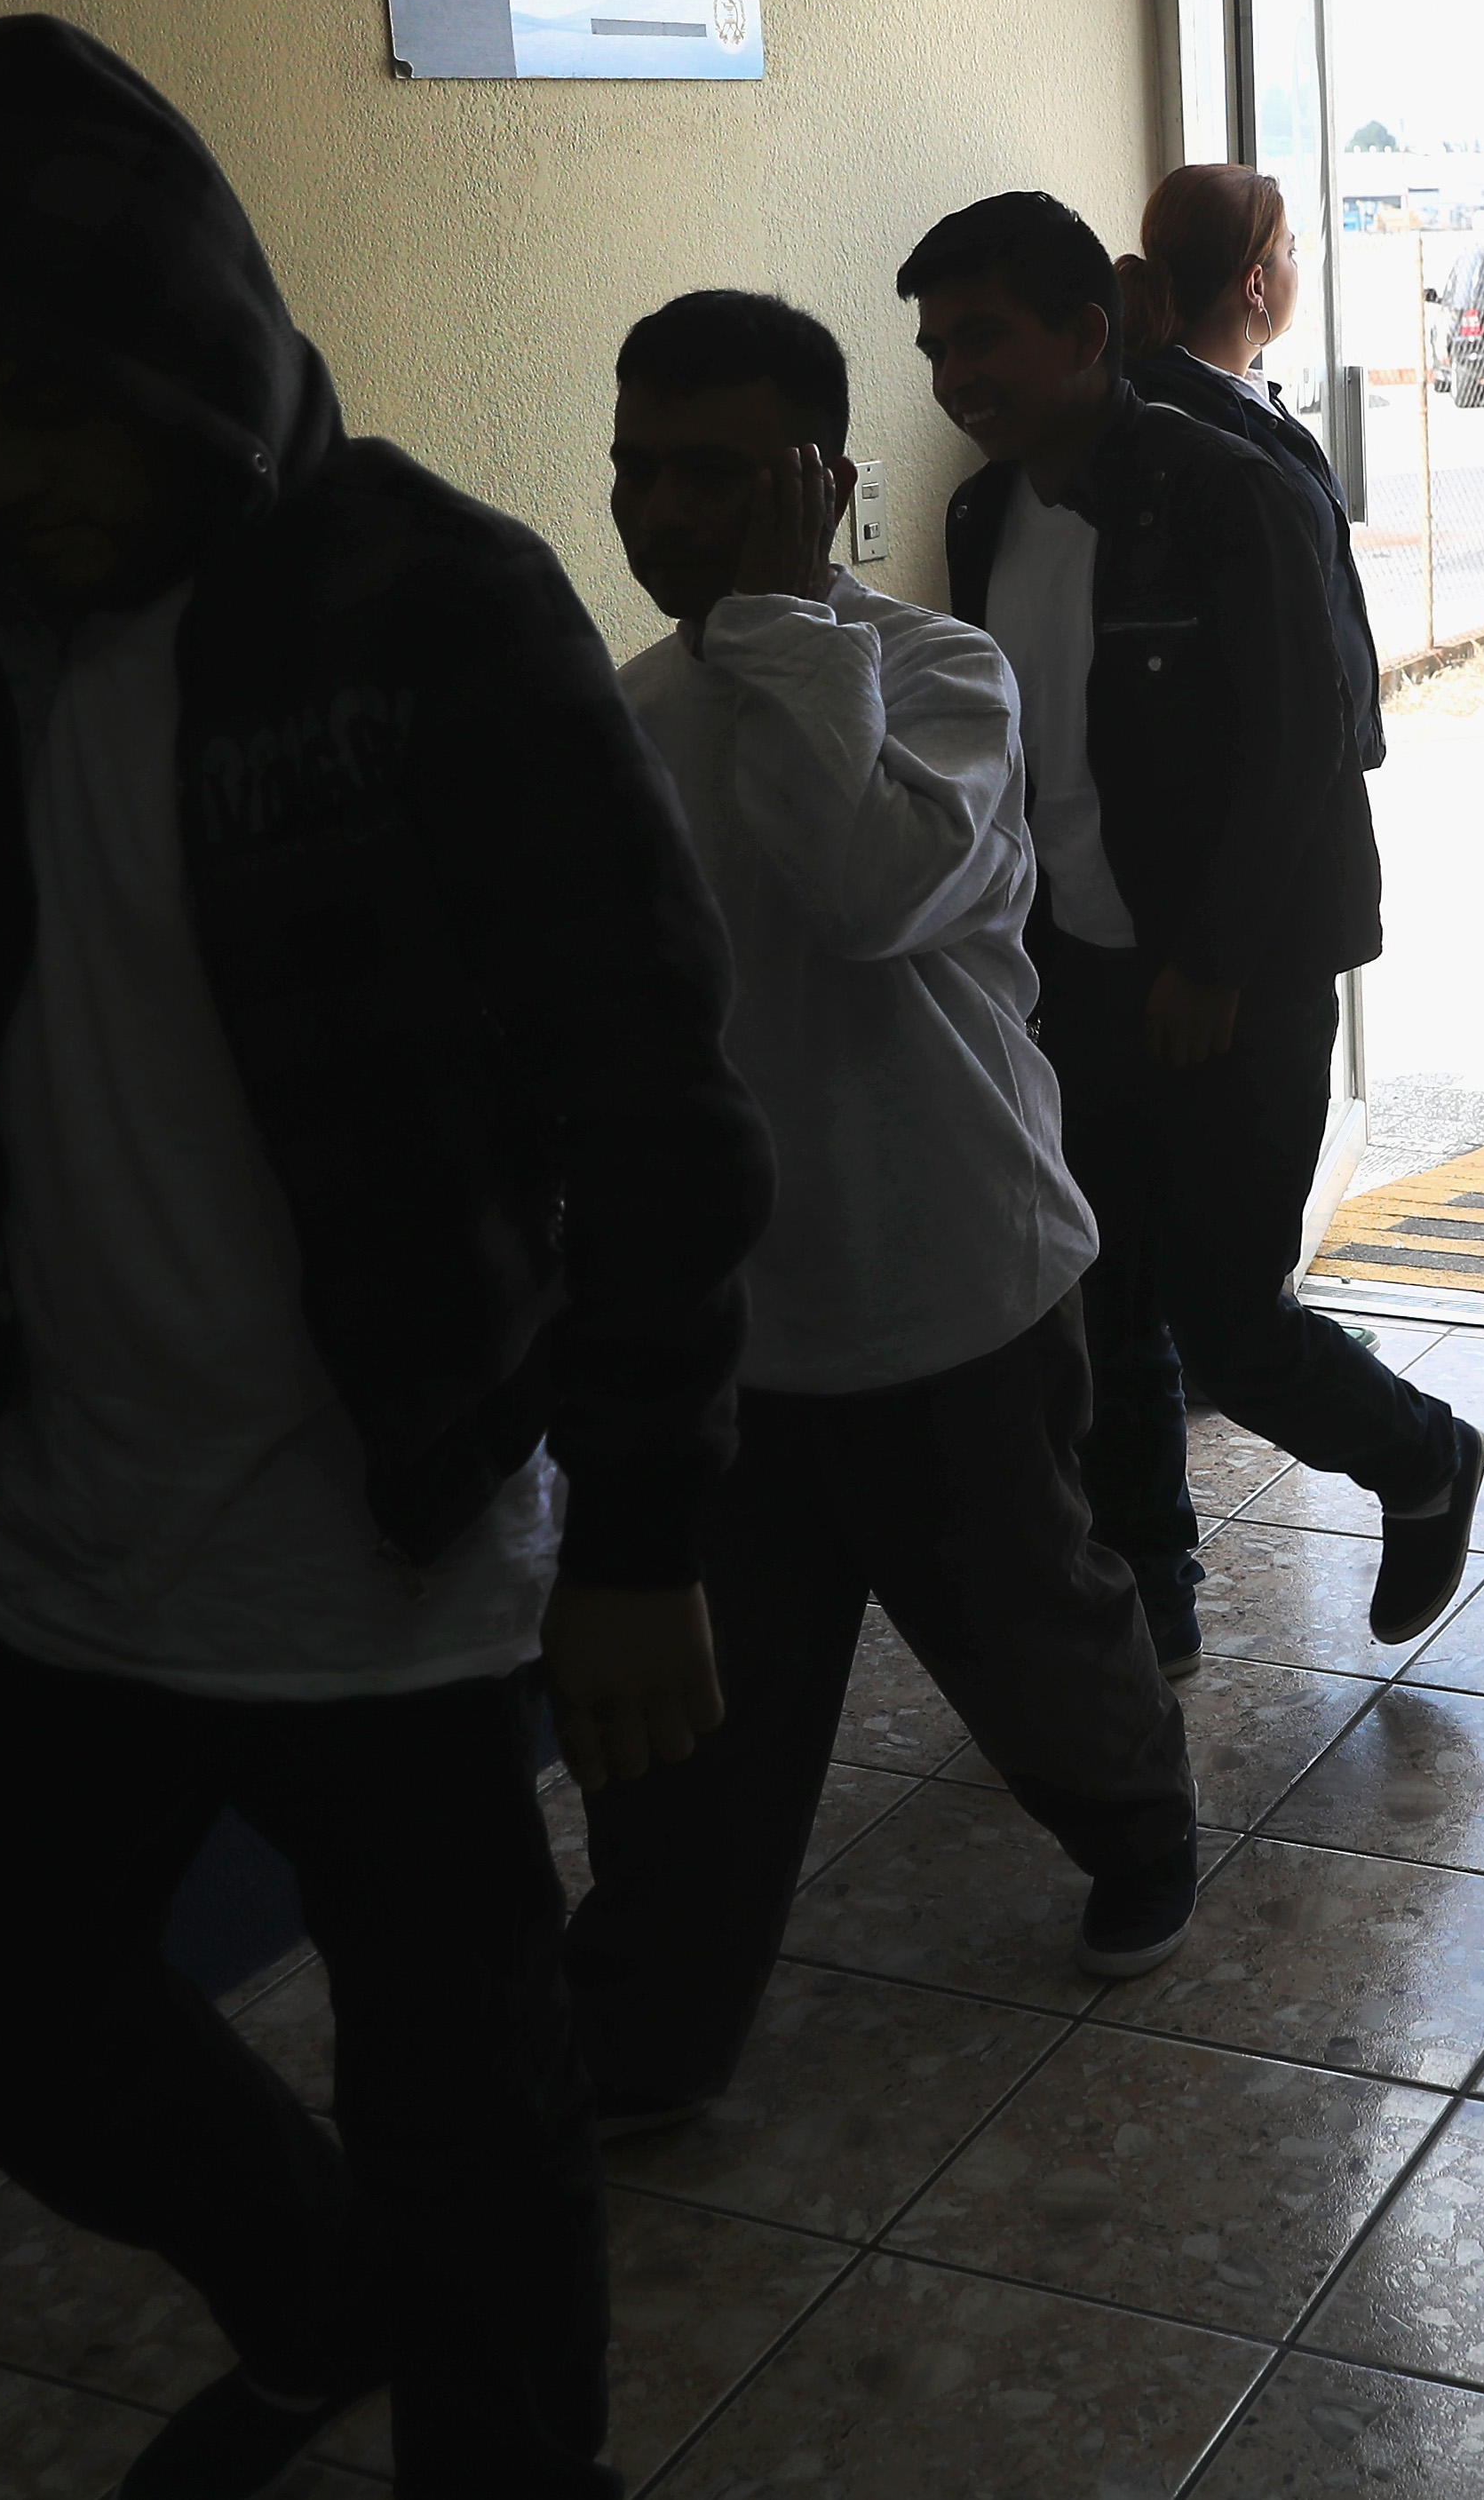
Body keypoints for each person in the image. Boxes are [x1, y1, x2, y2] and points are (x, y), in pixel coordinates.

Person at [0, 17, 767, 2500]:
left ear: (184, 357)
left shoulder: (426, 603)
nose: (19, 481)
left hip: (389, 1537)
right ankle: (318, 2292)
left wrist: (635, 1533)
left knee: (480, 2128)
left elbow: (654, 1093)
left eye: (61, 418)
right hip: (57, 1531)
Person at [573, 287, 1202, 2102]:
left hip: (957, 1287)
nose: (664, 513)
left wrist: (781, 616)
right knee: (704, 1724)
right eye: (636, 471)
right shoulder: (629, 713)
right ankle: (653, 2025)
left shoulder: (940, 674)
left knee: (1030, 1632)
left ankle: (1140, 1827)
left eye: (714, 473)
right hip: (737, 1324)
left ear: (823, 479)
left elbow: (861, 888)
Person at [914, 190, 1484, 1669]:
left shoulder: (1219, 487)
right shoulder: (983, 514)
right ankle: (1148, 1604)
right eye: (934, 347)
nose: (953, 375)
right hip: (1075, 972)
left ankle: (1421, 1455)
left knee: (1227, 1323)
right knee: (1099, 1309)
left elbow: (1308, 740)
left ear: (1086, 335)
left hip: (1239, 973)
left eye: (981, 338)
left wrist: (1215, 962)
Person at [1121, 163, 1385, 785]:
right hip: (1270, 777)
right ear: (1257, 284)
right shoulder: (1193, 430)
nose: (1301, 264)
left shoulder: (1234, 404)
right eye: (1292, 249)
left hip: (1307, 764)